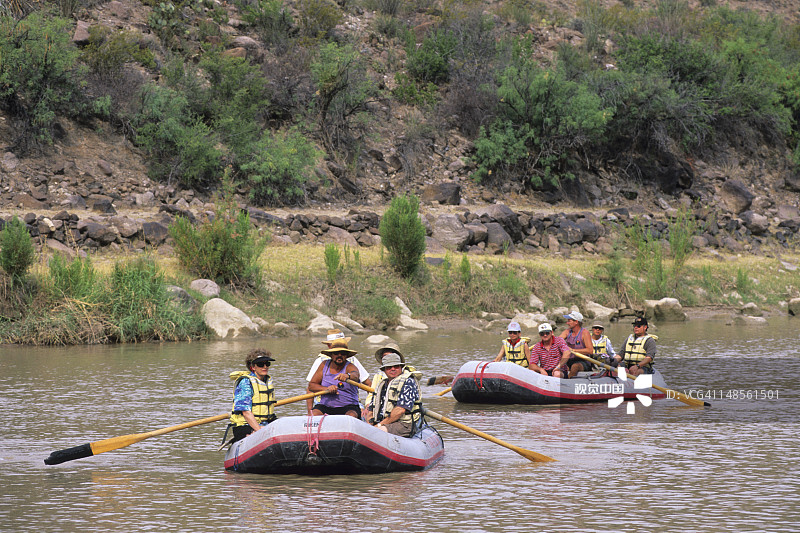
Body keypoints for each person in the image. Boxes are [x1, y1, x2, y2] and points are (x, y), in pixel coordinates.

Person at [305, 329, 371, 413]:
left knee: (353, 414)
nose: (339, 355)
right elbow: (311, 387)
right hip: (325, 404)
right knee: (314, 414)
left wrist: (347, 376)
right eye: (336, 353)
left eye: (342, 353)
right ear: (331, 354)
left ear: (346, 355)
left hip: (349, 405)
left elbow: (356, 375)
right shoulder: (322, 363)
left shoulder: (351, 363)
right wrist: (327, 389)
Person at [366, 349, 422, 437]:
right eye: (389, 367)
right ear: (384, 370)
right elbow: (371, 408)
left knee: (376, 433)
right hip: (384, 422)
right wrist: (369, 422)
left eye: (396, 366)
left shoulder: (408, 382)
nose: (393, 369)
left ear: (401, 367)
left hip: (404, 424)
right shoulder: (382, 384)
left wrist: (379, 425)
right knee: (367, 430)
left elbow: (400, 410)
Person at [228, 349, 277, 443]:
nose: (265, 367)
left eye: (267, 364)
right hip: (244, 426)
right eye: (260, 364)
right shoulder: (245, 383)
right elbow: (246, 412)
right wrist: (260, 432)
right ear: (252, 367)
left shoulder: (266, 381)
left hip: (265, 423)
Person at [559, 311, 594, 378]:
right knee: (560, 365)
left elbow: (590, 350)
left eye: (569, 321)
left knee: (574, 367)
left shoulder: (585, 333)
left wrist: (573, 350)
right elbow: (558, 341)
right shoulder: (567, 331)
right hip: (569, 359)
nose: (567, 323)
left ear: (576, 322)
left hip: (583, 361)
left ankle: (568, 383)